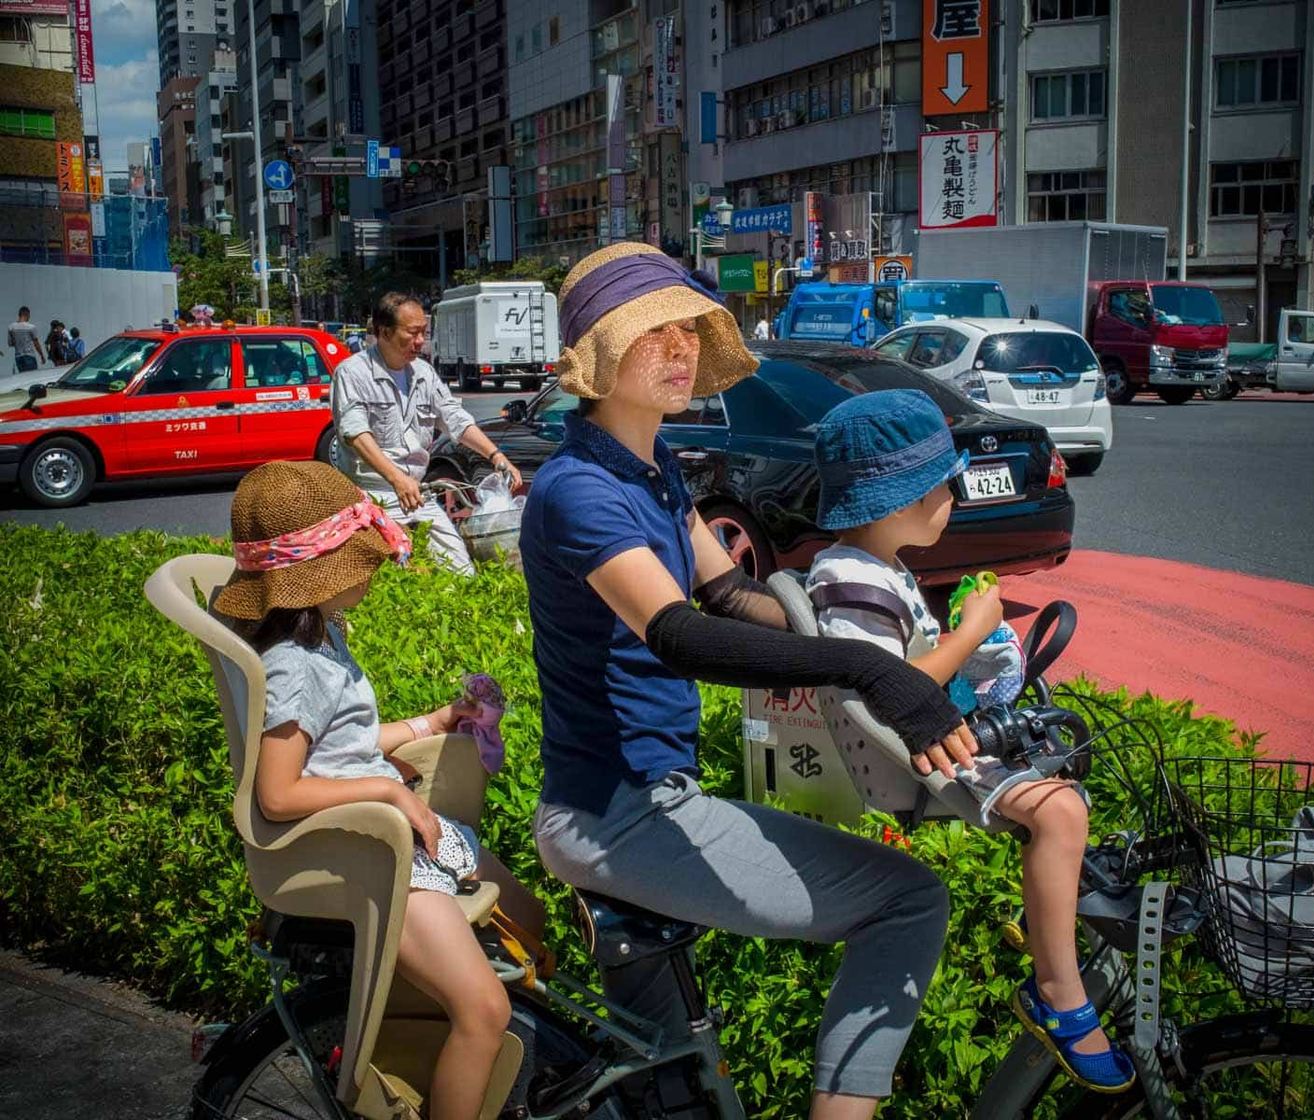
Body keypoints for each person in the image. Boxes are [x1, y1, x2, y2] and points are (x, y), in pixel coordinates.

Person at [522, 243, 979, 1119]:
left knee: (668, 1093)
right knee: (908, 901)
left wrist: (865, 626)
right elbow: (681, 635)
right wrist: (869, 670)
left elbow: (730, 594)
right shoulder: (577, 490)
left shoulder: (652, 470)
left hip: (644, 799)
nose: (683, 348)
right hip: (620, 812)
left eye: (692, 328)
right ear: (602, 355)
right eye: (654, 334)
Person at [804, 389, 1134, 1095]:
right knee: (1062, 811)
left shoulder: (867, 569)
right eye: (942, 484)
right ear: (896, 501)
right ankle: (1059, 994)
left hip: (932, 739)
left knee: (1069, 793)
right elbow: (894, 686)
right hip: (925, 759)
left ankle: (1043, 918)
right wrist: (972, 629)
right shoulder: (848, 579)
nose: (954, 494)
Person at [213, 460, 545, 1120]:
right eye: (363, 557)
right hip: (366, 854)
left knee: (530, 924)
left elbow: (344, 742)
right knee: (484, 1009)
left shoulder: (317, 634)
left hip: (386, 836)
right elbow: (276, 794)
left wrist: (439, 721)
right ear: (327, 570)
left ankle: (503, 1073)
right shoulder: (298, 665)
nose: (373, 570)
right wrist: (391, 794)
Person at [331, 292, 521, 576]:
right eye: (413, 333)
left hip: (419, 493)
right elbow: (355, 432)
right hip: (372, 495)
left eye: (424, 332)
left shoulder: (424, 373)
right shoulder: (352, 373)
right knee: (392, 577)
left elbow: (455, 420)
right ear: (384, 332)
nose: (421, 341)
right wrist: (396, 479)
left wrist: (496, 455)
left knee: (460, 571)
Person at [8, 306, 43, 374]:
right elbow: (36, 343)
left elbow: (10, 343)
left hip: (18, 357)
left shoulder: (11, 327)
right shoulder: (31, 327)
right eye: (29, 315)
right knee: (33, 376)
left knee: (24, 377)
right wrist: (41, 355)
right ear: (27, 314)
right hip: (29, 355)